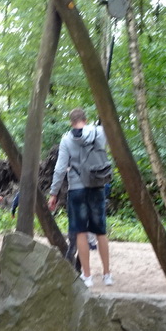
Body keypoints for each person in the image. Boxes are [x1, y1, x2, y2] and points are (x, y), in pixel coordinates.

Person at [47, 108, 112, 287]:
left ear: (71, 122)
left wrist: (54, 193)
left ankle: (87, 276)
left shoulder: (67, 139)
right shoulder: (99, 133)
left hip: (77, 188)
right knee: (100, 232)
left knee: (81, 232)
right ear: (86, 119)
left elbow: (60, 169)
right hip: (97, 186)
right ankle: (107, 275)